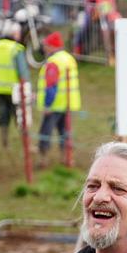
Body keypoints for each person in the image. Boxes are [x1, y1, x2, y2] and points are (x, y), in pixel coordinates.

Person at [36, 31, 80, 168]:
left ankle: (43, 160)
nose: (44, 48)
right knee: (65, 133)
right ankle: (67, 158)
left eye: (46, 45)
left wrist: (48, 105)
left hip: (55, 105)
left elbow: (51, 86)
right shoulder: (68, 58)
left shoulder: (53, 62)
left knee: (45, 133)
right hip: (68, 103)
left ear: (51, 46)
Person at [0, 21, 30, 148]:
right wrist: (27, 88)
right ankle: (26, 144)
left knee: (3, 116)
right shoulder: (16, 48)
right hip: (15, 90)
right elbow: (23, 72)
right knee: (20, 117)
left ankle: (4, 143)